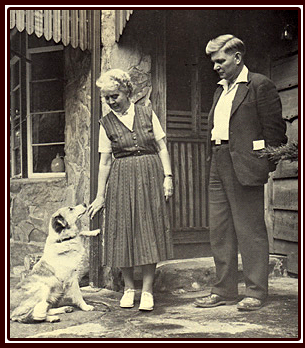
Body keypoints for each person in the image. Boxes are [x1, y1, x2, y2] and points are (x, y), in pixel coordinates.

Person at [194, 35, 287, 311]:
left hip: (246, 163)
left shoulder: (259, 85)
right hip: (218, 160)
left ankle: (256, 292)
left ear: (237, 57)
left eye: (220, 60)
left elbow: (275, 131)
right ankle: (224, 290)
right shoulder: (220, 90)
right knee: (219, 229)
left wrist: (264, 164)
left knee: (249, 229)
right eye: (213, 62)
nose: (215, 67)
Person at [87, 69, 174, 311]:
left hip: (149, 175)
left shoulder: (147, 112)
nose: (110, 102)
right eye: (106, 98)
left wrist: (168, 176)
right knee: (123, 231)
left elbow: (162, 147)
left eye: (114, 96)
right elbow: (104, 162)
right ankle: (128, 288)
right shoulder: (106, 124)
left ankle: (147, 291)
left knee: (149, 230)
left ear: (126, 91)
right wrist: (100, 195)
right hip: (121, 178)